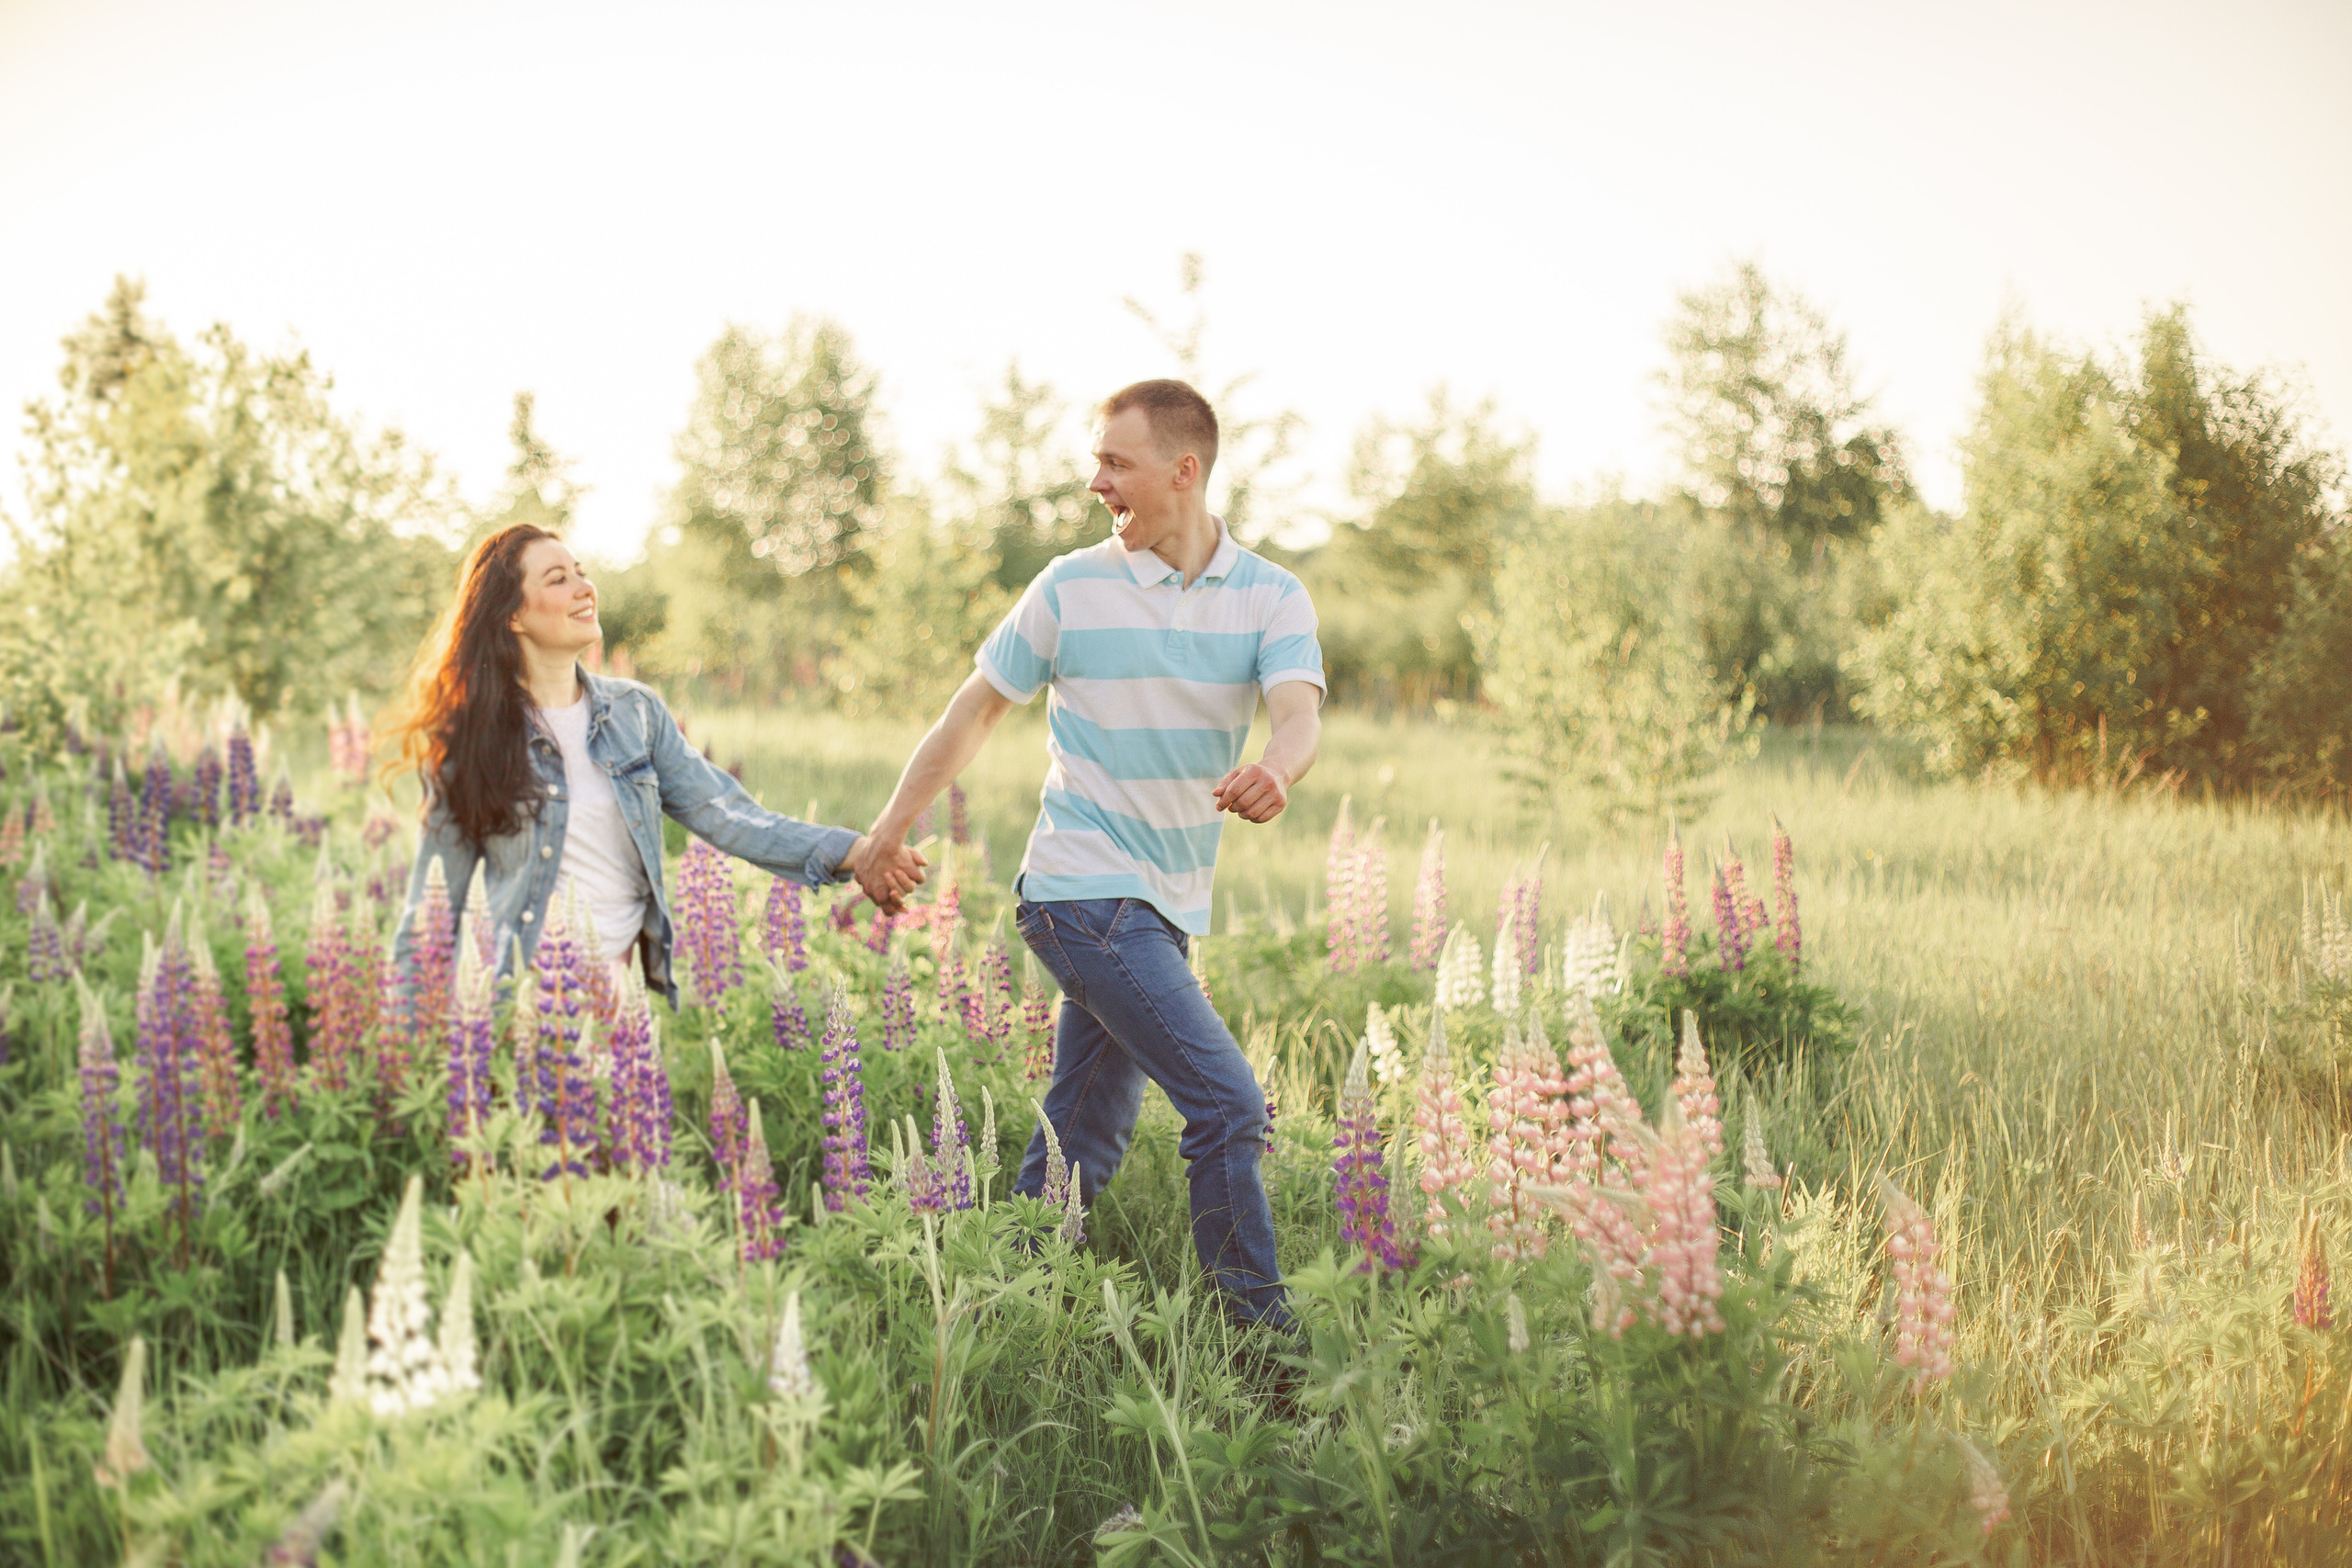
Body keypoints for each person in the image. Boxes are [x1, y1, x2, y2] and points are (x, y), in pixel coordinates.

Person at [854, 379, 1322, 1328]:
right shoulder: (1070, 585)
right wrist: (889, 828)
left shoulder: (1272, 596)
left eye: (1116, 462)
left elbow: (1298, 712)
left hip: (1162, 907)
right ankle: (1264, 1350)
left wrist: (1276, 769)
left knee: (1084, 1138)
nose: (1094, 480)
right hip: (1080, 891)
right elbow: (973, 711)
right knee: (1230, 1107)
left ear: (1182, 472)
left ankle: (996, 1309)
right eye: (1096, 459)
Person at [387, 522, 924, 998]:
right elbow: (431, 910)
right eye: (558, 579)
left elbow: (726, 813)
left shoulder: (634, 714)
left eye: (582, 571)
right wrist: (407, 1049)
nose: (584, 587)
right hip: (512, 997)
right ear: (513, 616)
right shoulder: (474, 741)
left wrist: (855, 849)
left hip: (619, 994)